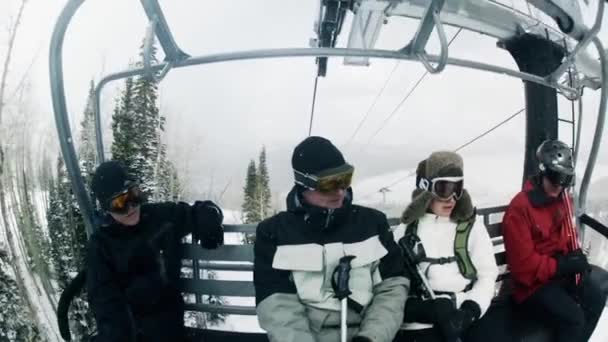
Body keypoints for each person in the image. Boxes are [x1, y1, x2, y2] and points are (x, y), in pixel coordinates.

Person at [253, 136, 409, 342]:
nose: (340, 191)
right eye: (329, 184)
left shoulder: (373, 224)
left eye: (345, 180)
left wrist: (372, 337)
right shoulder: (275, 233)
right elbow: (277, 306)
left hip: (367, 332)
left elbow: (392, 288)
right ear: (304, 184)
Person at [86, 161, 224, 342]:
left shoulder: (159, 218)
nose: (131, 207)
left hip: (169, 326)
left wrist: (209, 220)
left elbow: (202, 210)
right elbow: (107, 305)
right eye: (119, 203)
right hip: (130, 332)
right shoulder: (101, 246)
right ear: (106, 208)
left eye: (134, 195)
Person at [502, 139, 606, 342]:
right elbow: (523, 269)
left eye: (565, 179)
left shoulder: (560, 202)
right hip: (531, 288)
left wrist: (574, 259)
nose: (560, 186)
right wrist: (561, 266)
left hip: (556, 277)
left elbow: (565, 238)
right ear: (543, 172)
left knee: (596, 298)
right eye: (555, 177)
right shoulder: (520, 209)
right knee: (573, 318)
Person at [395, 151, 499, 342]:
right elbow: (390, 283)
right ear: (426, 189)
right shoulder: (406, 231)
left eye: (457, 188)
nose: (451, 198)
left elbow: (487, 274)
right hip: (421, 322)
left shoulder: (471, 226)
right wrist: (417, 310)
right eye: (444, 188)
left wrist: (470, 311)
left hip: (464, 312)